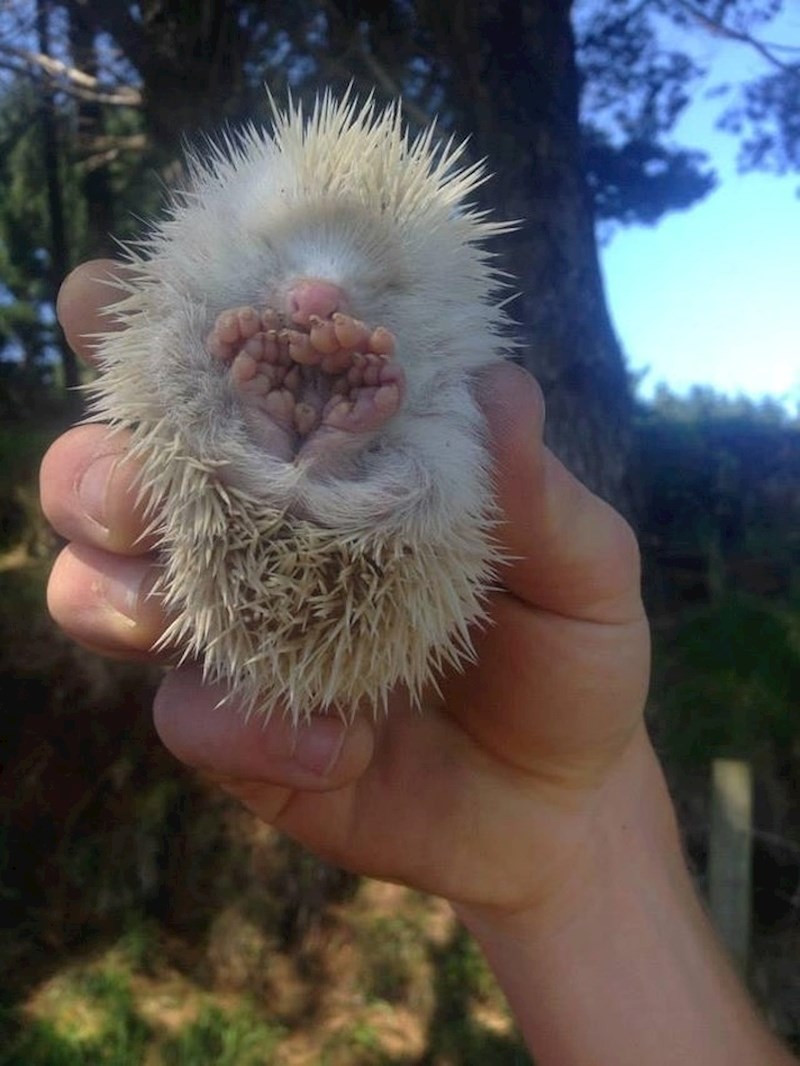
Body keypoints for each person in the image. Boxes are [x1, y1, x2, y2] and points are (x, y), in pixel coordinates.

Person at [40, 261, 795, 1066]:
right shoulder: (279, 287)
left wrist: (580, 853)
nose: (314, 302)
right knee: (227, 440)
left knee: (411, 469)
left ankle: (291, 452)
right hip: (331, 480)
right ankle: (293, 452)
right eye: (295, 279)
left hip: (392, 505)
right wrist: (576, 862)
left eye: (352, 287)